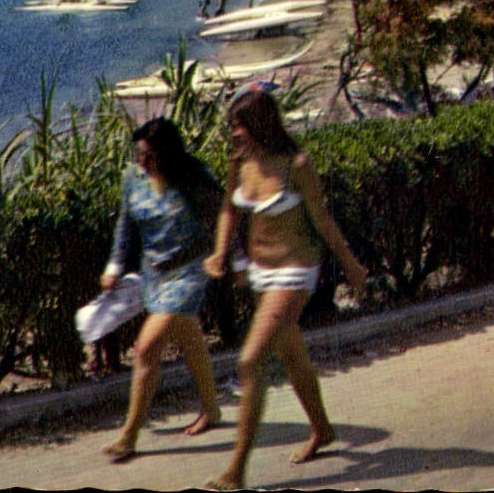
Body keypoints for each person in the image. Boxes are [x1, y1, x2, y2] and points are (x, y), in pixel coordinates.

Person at [203, 88, 368, 489]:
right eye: (232, 126)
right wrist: (220, 252)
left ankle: (236, 471)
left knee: (250, 362)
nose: (233, 133)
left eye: (239, 126)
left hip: (295, 272)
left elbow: (323, 220)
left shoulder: (297, 166)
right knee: (293, 356)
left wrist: (351, 266)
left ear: (260, 125)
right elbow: (229, 210)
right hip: (260, 274)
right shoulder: (240, 163)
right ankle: (323, 430)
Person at [100, 119, 223, 462]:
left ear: (167, 153)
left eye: (149, 155)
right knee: (189, 338)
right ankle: (212, 410)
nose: (141, 161)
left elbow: (223, 217)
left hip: (190, 270)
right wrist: (114, 266)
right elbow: (125, 225)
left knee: (146, 348)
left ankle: (128, 436)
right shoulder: (133, 177)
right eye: (138, 154)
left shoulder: (193, 176)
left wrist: (233, 257)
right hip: (153, 273)